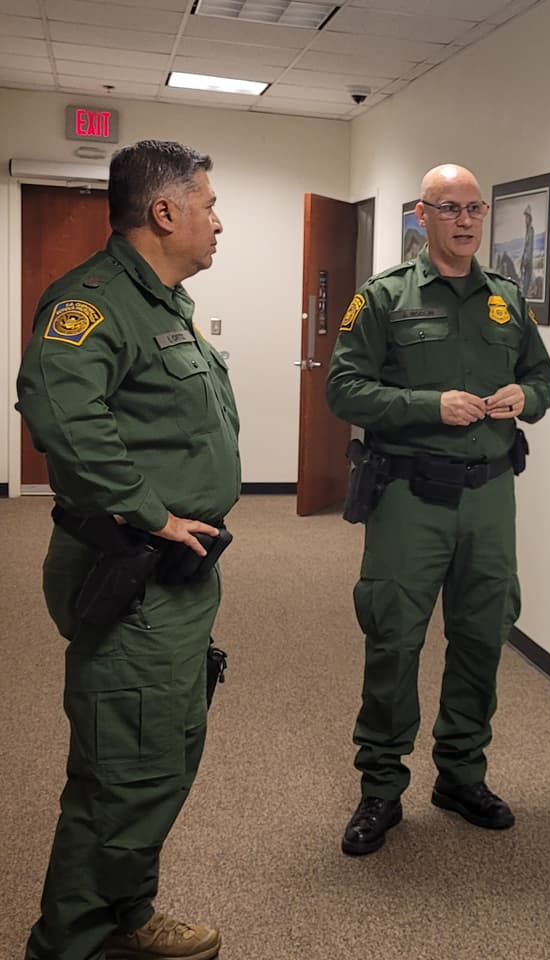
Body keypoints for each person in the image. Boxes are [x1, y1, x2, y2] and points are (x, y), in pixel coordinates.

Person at [15, 140, 236, 960]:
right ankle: (67, 943)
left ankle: (126, 913)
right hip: (132, 570)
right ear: (164, 211)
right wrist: (150, 512)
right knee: (122, 773)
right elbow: (58, 413)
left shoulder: (165, 304)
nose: (219, 220)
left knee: (163, 753)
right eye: (208, 204)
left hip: (178, 578)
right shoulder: (92, 303)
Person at [327, 163, 550, 856]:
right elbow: (343, 388)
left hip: (489, 498)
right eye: (449, 209)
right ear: (421, 217)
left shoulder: (508, 300)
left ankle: (460, 775)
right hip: (410, 497)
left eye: (475, 209)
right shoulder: (384, 299)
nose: (465, 222)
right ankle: (381, 788)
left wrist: (528, 398)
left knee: (483, 637)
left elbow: (543, 376)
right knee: (395, 639)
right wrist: (429, 406)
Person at [519, 203, 535, 292]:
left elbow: (529, 248)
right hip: (525, 260)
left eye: (527, 217)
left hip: (528, 261)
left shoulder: (530, 231)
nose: (525, 220)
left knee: (526, 282)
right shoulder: (527, 231)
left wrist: (525, 260)